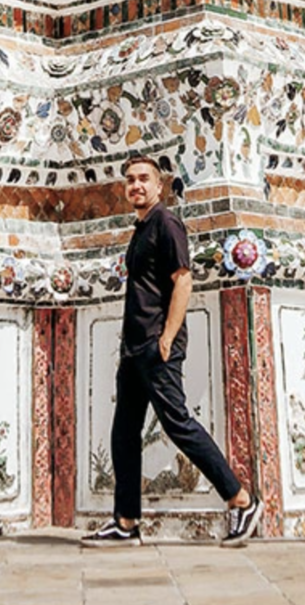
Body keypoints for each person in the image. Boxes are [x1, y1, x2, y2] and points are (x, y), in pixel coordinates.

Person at [82, 155, 263, 548]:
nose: (136, 185)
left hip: (155, 346)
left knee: (178, 423)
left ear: (159, 186)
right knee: (124, 435)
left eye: (143, 179)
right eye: (130, 180)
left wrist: (167, 337)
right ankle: (126, 522)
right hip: (134, 349)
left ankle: (240, 499)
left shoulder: (166, 222)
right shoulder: (140, 228)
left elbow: (183, 281)